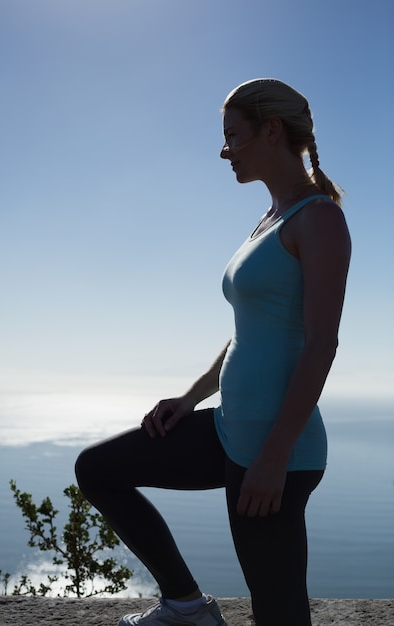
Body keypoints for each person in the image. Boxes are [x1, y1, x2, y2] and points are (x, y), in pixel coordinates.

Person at [75, 78, 351, 626]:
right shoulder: (269, 220)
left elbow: (322, 344)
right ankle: (185, 606)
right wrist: (189, 397)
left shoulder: (319, 218)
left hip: (272, 452)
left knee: (280, 616)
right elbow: (247, 333)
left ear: (271, 131)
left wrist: (274, 458)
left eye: (233, 135)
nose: (224, 150)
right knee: (98, 469)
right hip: (228, 429)